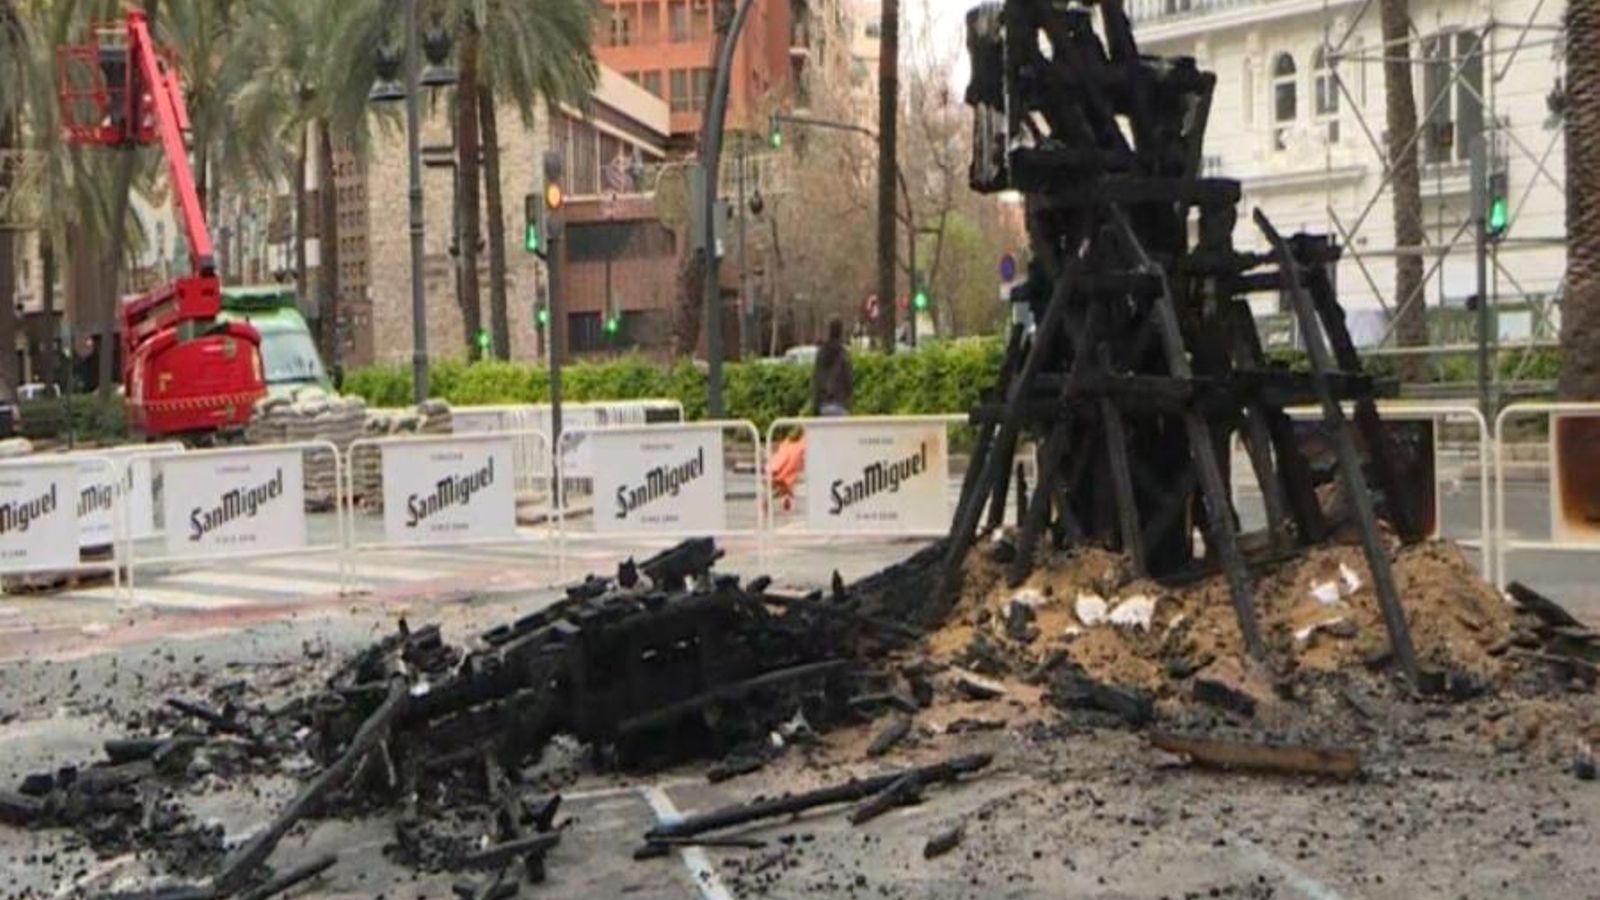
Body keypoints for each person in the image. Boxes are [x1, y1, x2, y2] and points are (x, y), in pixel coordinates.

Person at [811, 316, 853, 417]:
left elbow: (817, 379)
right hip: (840, 403)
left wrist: (815, 405)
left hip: (824, 403)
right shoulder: (844, 354)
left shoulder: (821, 353)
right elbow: (848, 379)